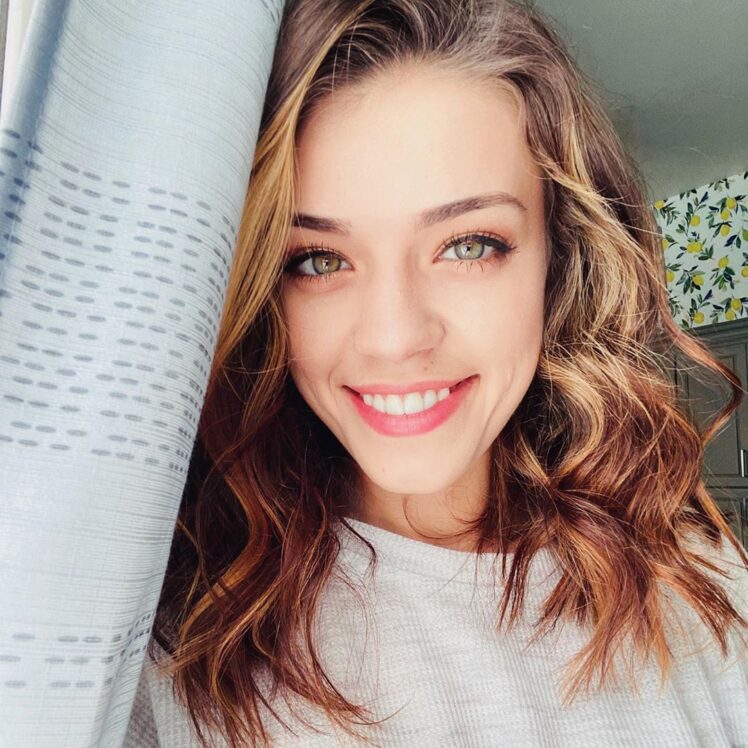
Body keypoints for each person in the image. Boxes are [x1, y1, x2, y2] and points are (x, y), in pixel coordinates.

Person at [124, 0, 748, 746]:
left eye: (468, 245)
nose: (395, 339)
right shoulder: (162, 653)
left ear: (559, 260)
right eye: (317, 260)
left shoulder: (708, 589)